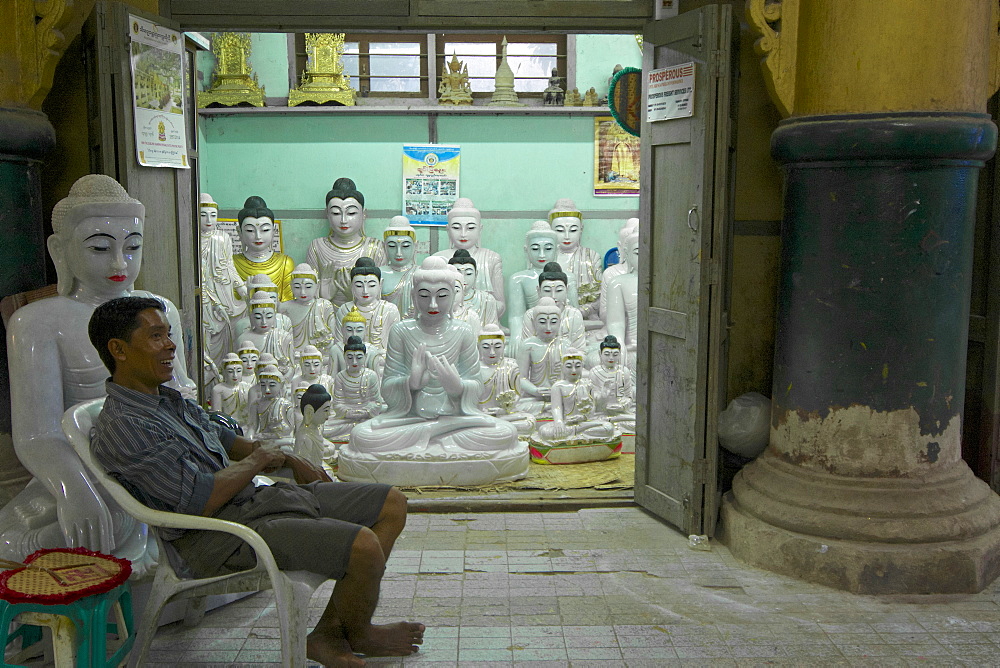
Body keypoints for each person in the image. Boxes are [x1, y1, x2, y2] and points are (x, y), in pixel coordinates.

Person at [88, 296, 424, 666]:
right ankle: (346, 633)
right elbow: (201, 500)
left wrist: (290, 458)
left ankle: (342, 630)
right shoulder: (124, 426)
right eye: (156, 336)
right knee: (363, 547)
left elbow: (232, 442)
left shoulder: (168, 399)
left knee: (392, 503)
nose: (170, 345)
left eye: (169, 334)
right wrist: (260, 460)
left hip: (254, 503)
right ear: (118, 349)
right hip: (215, 536)